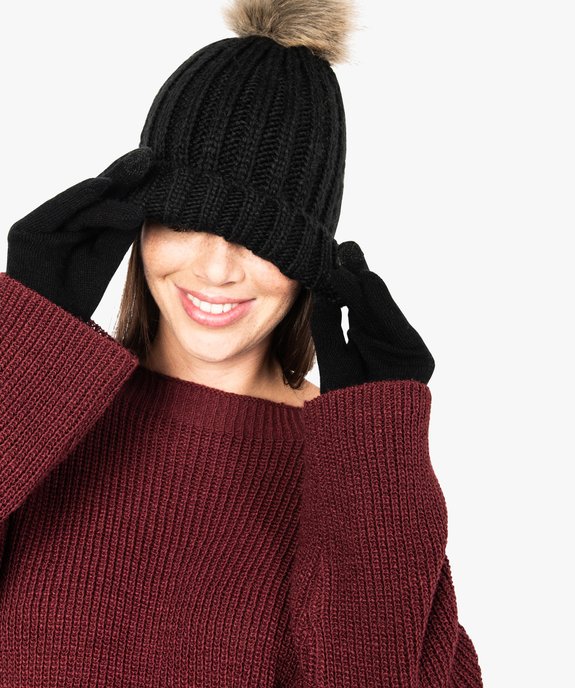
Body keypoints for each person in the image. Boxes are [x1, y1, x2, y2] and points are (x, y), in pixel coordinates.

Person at [0, 0, 483, 685]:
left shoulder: (359, 474)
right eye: (186, 220)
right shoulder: (40, 417)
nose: (218, 269)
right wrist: (24, 348)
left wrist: (376, 454)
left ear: (307, 258)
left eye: (261, 237)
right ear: (137, 220)